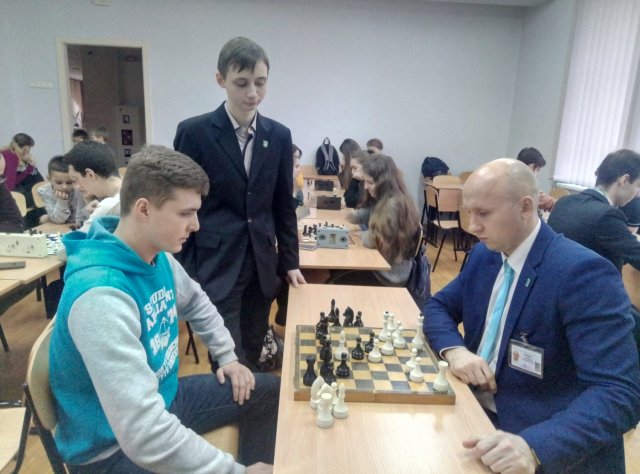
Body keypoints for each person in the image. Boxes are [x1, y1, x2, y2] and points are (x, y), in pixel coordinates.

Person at [49, 145, 279, 473]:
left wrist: (227, 356)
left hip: (162, 400)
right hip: (111, 450)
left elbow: (196, 301)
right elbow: (144, 434)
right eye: (185, 213)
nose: (196, 225)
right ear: (144, 208)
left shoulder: (155, 256)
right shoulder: (101, 297)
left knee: (268, 392)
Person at [423, 158, 640, 474]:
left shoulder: (582, 273)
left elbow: (620, 393)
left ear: (525, 207)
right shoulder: (486, 255)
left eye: (483, 213)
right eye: (470, 213)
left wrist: (535, 446)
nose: (472, 226)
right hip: (471, 412)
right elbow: (438, 307)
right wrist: (456, 352)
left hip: (537, 438)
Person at [174, 36, 305, 370]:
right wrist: (186, 269)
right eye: (242, 83)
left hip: (262, 264)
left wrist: (290, 261)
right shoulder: (194, 132)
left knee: (254, 347)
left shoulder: (278, 135)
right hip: (216, 264)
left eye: (260, 83)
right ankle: (232, 399)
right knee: (226, 357)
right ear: (221, 80)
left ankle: (251, 400)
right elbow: (180, 204)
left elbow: (283, 204)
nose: (253, 93)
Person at [339, 154, 421, 286]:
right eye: (365, 182)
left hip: (388, 276)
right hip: (380, 266)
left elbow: (374, 241)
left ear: (384, 182)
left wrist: (362, 235)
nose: (365, 187)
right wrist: (346, 214)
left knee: (337, 275)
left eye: (370, 183)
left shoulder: (393, 205)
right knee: (338, 269)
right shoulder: (383, 198)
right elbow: (363, 215)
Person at [64, 140, 122, 232]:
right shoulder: (135, 188)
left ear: (90, 174)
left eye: (76, 179)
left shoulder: (109, 206)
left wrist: (100, 213)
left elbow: (80, 239)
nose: (77, 187)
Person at [37, 155, 86, 225]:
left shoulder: (78, 188)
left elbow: (81, 219)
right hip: (59, 227)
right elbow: (58, 220)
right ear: (49, 179)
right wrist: (62, 202)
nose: (64, 187)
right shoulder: (44, 191)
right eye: (59, 182)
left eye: (69, 182)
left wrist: (49, 217)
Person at [516, 147, 555, 211]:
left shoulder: (508, 179)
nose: (536, 174)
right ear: (532, 166)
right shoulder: (528, 188)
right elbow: (551, 204)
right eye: (538, 170)